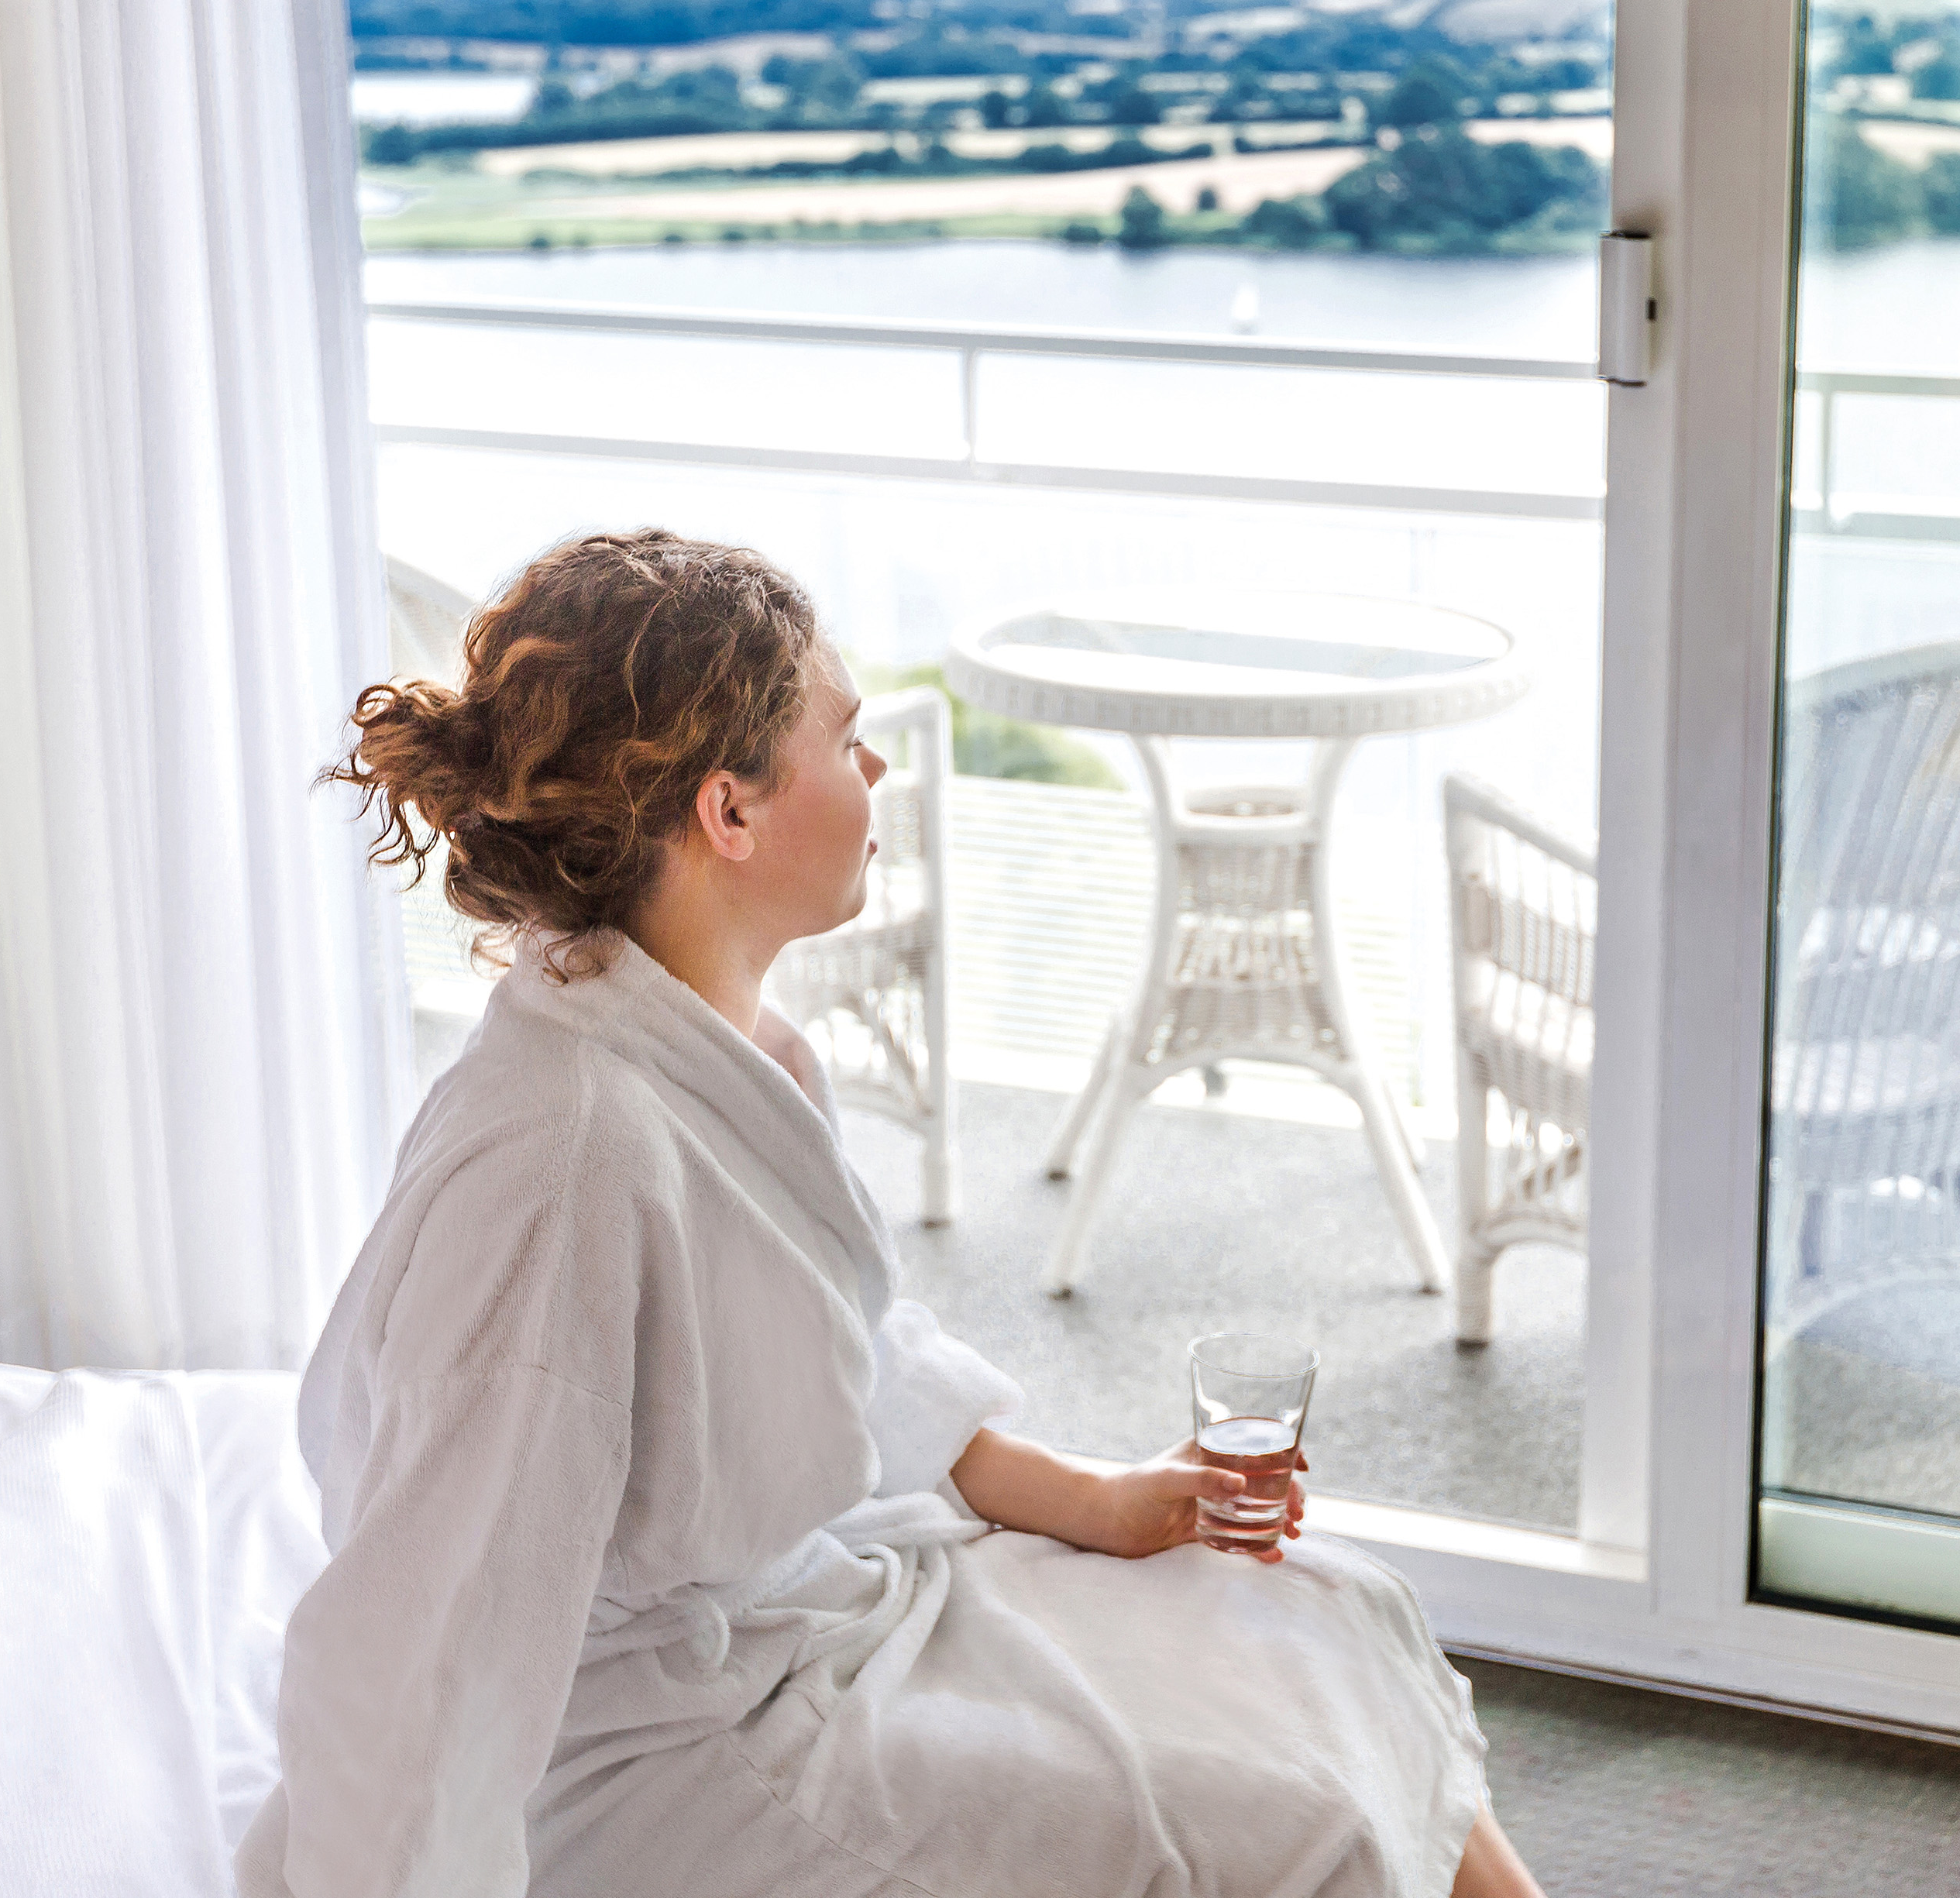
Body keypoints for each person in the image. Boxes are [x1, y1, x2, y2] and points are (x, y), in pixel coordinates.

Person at [236, 530, 1545, 1898]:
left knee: (1323, 1617)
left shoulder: (717, 1044)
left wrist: (1089, 1498)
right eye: (846, 740)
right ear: (728, 812)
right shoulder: (566, 1163)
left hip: (806, 1610)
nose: (875, 773)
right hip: (658, 1757)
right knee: (1283, 1813)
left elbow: (833, 1347)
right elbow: (429, 1636)